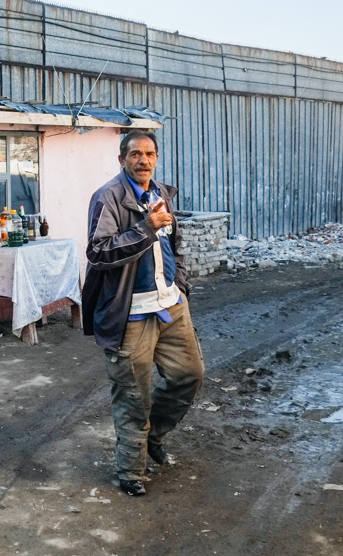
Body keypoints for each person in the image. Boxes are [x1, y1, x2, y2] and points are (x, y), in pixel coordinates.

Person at [81, 130, 203, 497]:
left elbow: (175, 244)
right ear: (122, 160)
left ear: (156, 158)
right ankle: (129, 471)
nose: (143, 161)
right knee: (133, 396)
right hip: (130, 312)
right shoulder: (108, 198)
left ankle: (153, 438)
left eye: (150, 154)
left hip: (170, 305)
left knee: (190, 375)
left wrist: (179, 286)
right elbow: (98, 253)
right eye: (135, 154)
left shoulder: (161, 194)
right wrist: (143, 229)